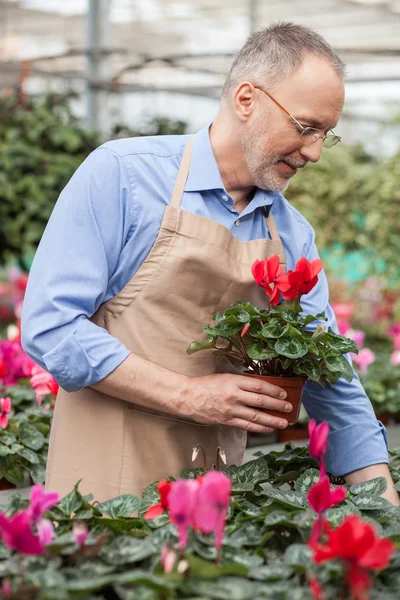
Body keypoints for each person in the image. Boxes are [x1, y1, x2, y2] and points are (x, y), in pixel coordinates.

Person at [21, 22, 399, 504]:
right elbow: (50, 326)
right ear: (247, 100)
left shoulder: (292, 233)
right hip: (101, 491)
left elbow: (332, 381)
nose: (315, 152)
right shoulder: (122, 176)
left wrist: (384, 502)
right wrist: (189, 394)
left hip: (216, 502)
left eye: (327, 135)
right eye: (306, 128)